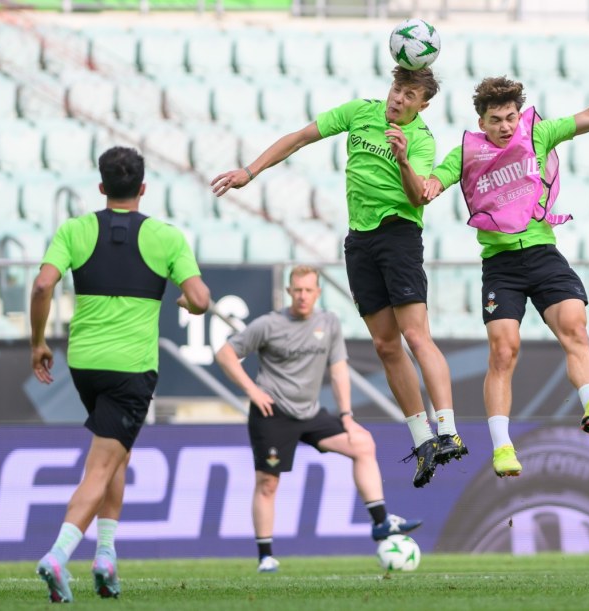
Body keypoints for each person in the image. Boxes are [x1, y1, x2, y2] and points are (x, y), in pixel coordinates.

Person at [418, 62, 589, 477]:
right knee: (504, 351)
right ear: (480, 121)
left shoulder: (537, 133)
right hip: (500, 264)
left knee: (575, 327)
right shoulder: (466, 153)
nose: (505, 127)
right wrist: (427, 184)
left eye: (510, 117)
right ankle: (503, 448)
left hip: (543, 253)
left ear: (519, 115)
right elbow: (433, 183)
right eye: (495, 120)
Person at [210, 66, 467, 489]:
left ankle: (448, 430)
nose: (398, 98)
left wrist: (403, 159)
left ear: (423, 104)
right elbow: (299, 138)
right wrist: (250, 172)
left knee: (416, 337)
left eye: (409, 95)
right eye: (396, 89)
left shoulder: (421, 139)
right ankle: (422, 440)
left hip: (398, 235)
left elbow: (418, 194)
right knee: (386, 346)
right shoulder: (358, 112)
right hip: (360, 241)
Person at [30, 146, 211, 602]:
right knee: (102, 465)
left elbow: (41, 284)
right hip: (131, 369)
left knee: (117, 456)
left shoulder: (75, 228)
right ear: (143, 189)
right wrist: (188, 301)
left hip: (84, 364)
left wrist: (37, 342)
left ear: (102, 187)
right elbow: (201, 298)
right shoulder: (165, 237)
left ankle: (106, 557)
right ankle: (59, 553)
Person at [215, 265, 422, 573]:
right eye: (297, 290)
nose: (302, 296)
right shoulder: (268, 324)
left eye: (308, 290)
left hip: (310, 413)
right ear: (289, 292)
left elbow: (338, 371)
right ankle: (265, 556)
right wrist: (252, 392)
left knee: (362, 443)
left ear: (318, 293)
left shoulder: (329, 323)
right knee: (268, 484)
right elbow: (225, 354)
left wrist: (347, 417)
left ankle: (380, 523)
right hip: (273, 413)